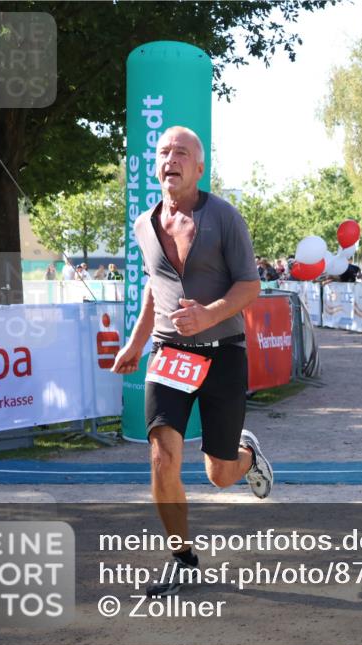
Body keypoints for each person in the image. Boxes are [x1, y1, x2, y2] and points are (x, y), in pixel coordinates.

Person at [111, 126, 274, 597]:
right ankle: (182, 559)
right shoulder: (144, 225)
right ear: (156, 165)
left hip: (223, 352)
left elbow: (250, 285)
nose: (171, 159)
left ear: (199, 167)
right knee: (162, 457)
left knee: (219, 475)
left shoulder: (224, 217)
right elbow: (154, 286)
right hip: (169, 353)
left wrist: (208, 314)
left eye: (181, 153)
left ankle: (246, 456)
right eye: (164, 152)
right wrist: (136, 343)